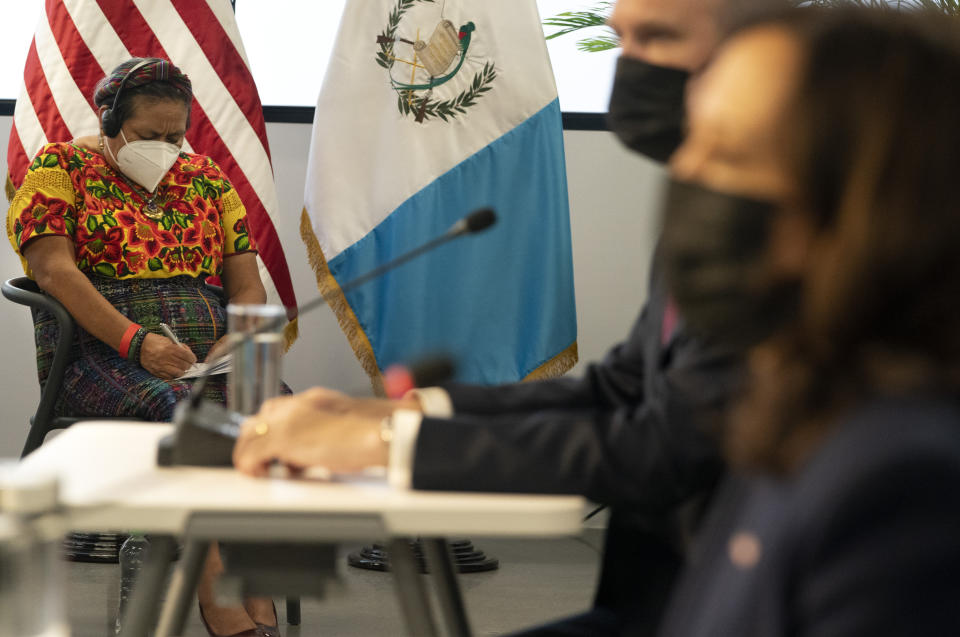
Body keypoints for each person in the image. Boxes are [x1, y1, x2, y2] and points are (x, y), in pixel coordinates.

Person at [233, 0, 764, 634]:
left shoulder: (801, 240)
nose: (631, 67)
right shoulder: (719, 210)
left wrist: (390, 445)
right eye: (621, 39)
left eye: (659, 38)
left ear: (768, 49)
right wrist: (400, 413)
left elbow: (661, 444)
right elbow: (620, 389)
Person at [652, 7, 960, 635]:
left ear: (867, 207)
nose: (684, 173)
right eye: (693, 136)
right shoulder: (798, 400)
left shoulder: (901, 480)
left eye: (730, 152)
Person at [6, 58, 277, 636]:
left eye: (174, 136)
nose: (164, 147)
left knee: (271, 409)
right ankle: (217, 587)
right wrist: (136, 342)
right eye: (149, 136)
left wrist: (242, 334)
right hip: (97, 354)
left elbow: (246, 283)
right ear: (110, 124)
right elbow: (54, 273)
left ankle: (252, 570)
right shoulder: (61, 169)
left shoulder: (206, 177)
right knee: (191, 416)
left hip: (204, 355)